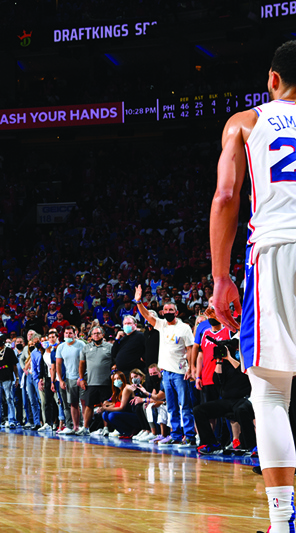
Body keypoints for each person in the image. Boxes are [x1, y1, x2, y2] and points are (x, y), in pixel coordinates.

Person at [210, 40, 296, 533]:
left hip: (276, 250)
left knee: (271, 395)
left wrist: (221, 277)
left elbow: (226, 196)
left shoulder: (246, 123)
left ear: (272, 79)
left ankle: (283, 521)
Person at [134, 286, 196, 447]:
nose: (168, 311)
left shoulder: (184, 327)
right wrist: (139, 301)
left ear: (176, 312)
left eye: (171, 309)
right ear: (162, 312)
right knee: (171, 407)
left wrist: (191, 368)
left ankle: (189, 436)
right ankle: (175, 434)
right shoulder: (161, 325)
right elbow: (147, 315)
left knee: (185, 406)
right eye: (165, 309)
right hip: (166, 373)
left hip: (181, 372)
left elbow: (190, 349)